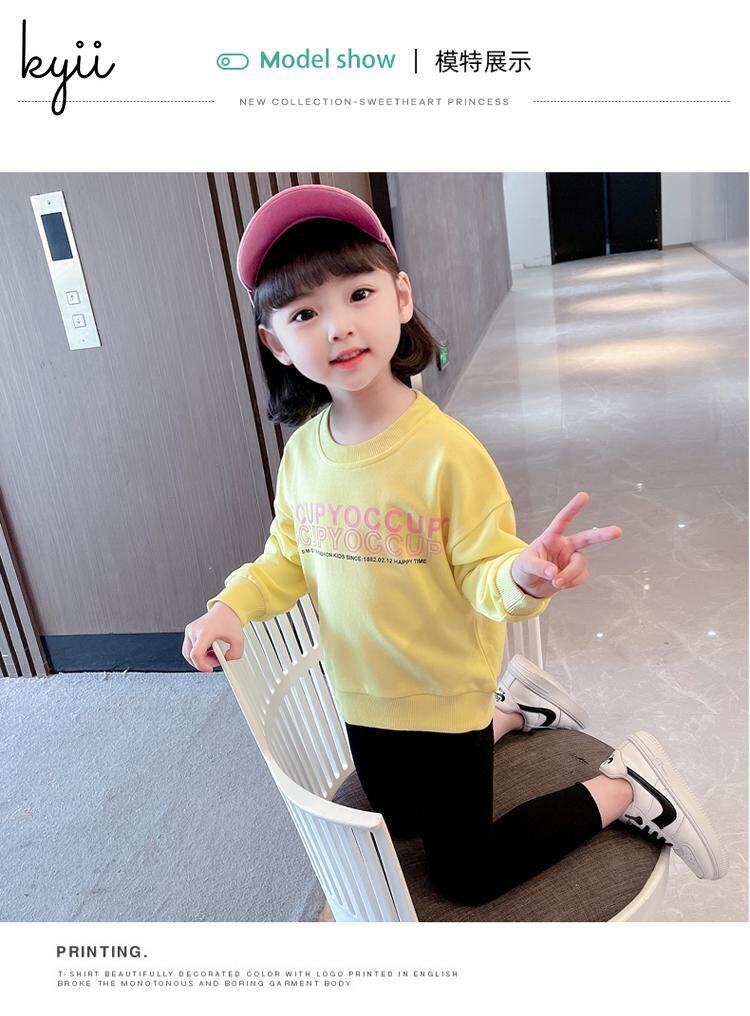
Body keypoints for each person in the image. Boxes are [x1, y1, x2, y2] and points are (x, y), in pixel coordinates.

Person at [182, 184, 727, 905]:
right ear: (276, 343)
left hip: (444, 698)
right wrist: (231, 606)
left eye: (359, 294)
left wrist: (522, 578)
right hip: (362, 697)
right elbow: (287, 557)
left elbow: (484, 573)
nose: (339, 327)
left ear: (401, 298)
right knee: (399, 818)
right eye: (305, 313)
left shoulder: (447, 453)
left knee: (466, 876)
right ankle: (519, 711)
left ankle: (626, 788)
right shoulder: (304, 455)